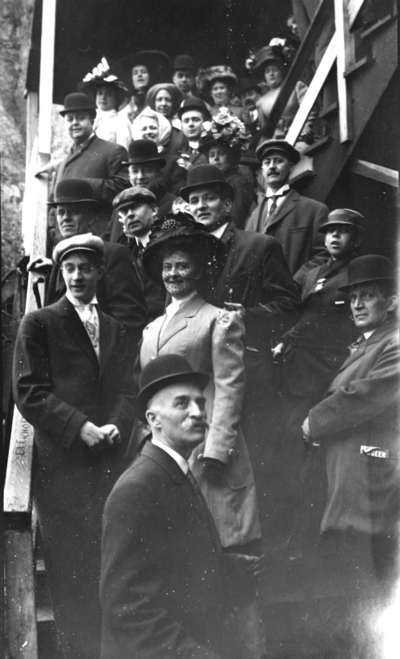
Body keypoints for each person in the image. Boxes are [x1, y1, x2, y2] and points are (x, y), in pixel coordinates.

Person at [13, 234, 135, 659]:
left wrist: (117, 425)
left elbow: (127, 387)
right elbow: (28, 391)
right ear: (61, 274)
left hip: (110, 464)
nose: (78, 275)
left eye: (86, 267)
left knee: (112, 572)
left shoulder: (117, 328)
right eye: (70, 268)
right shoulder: (40, 323)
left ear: (100, 272)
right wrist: (80, 427)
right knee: (72, 578)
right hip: (64, 470)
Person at [100, 354, 262, 659]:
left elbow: (172, 569)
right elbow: (126, 607)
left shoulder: (176, 472)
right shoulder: (138, 488)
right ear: (153, 420)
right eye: (181, 403)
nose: (198, 412)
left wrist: (228, 566)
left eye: (200, 403)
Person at [180, 165, 301, 518]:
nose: (201, 206)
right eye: (194, 200)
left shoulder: (259, 246)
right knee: (203, 465)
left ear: (228, 205)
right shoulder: (184, 253)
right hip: (200, 376)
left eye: (209, 198)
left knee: (255, 463)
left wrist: (247, 315)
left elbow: (290, 306)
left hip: (251, 374)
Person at [301, 255, 399, 651]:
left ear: (391, 301)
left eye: (369, 296)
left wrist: (314, 421)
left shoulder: (393, 343)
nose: (358, 305)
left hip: (371, 481)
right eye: (354, 297)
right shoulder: (369, 342)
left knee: (366, 601)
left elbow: (366, 394)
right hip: (349, 478)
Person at [268, 209, 365, 552]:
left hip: (329, 367)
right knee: (286, 441)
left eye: (343, 232)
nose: (334, 237)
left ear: (356, 238)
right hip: (297, 365)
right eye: (330, 231)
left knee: (306, 443)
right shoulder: (314, 271)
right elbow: (301, 311)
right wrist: (287, 339)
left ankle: (305, 533)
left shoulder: (358, 272)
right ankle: (289, 528)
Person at [29, 178, 147, 361]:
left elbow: (130, 324)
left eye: (74, 211)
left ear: (91, 216)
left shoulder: (113, 254)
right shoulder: (57, 265)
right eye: (61, 212)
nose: (66, 218)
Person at [48, 93, 130, 237]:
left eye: (80, 118)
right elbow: (53, 202)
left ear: (92, 121)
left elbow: (123, 189)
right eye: (70, 119)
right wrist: (51, 231)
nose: (75, 123)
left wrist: (83, 185)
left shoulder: (112, 151)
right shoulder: (63, 164)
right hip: (65, 245)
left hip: (99, 240)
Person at [245, 139, 328, 275]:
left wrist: (296, 283)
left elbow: (323, 256)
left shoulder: (314, 210)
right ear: (262, 169)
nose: (272, 166)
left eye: (278, 161)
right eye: (267, 162)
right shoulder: (254, 216)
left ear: (290, 167)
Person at [112, 186, 166, 320]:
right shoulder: (127, 252)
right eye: (124, 211)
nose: (130, 214)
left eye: (135, 207)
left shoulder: (167, 245)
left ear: (154, 210)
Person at [108, 140, 177, 243]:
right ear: (129, 177)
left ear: (159, 175)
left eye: (147, 170)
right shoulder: (119, 209)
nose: (140, 177)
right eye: (135, 171)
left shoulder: (173, 206)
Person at [198, 110, 255, 229]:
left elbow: (237, 218)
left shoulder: (238, 182)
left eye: (221, 154)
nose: (216, 159)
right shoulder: (216, 183)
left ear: (230, 156)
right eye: (212, 155)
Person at [252, 42, 314, 144]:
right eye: (267, 71)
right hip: (277, 145)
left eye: (275, 70)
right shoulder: (261, 102)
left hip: (300, 139)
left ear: (281, 71)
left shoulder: (296, 87)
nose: (271, 74)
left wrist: (305, 131)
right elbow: (265, 132)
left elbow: (310, 111)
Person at [131, 108, 187, 194]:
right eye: (144, 129)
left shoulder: (172, 161)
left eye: (153, 128)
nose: (148, 132)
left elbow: (177, 192)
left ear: (161, 130)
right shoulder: (132, 160)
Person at [78, 62, 132, 150]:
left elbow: (122, 152)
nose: (103, 97)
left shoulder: (121, 122)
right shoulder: (89, 120)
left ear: (116, 99)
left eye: (109, 94)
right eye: (100, 93)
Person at [111, 49, 171, 122]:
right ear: (132, 78)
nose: (139, 75)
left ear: (149, 76)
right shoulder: (126, 104)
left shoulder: (157, 100)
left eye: (143, 72)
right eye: (135, 73)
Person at [176, 97, 210, 169]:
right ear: (182, 126)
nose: (191, 124)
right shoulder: (177, 150)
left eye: (196, 120)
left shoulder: (211, 149)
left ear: (205, 123)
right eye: (186, 121)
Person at [236, 78, 262, 144]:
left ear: (259, 96)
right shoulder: (241, 118)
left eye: (250, 94)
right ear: (241, 101)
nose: (247, 98)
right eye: (244, 96)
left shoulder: (266, 112)